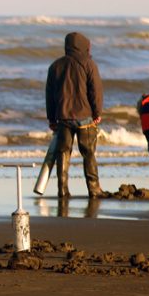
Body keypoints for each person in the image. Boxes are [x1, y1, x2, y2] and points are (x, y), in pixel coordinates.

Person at [45, 32, 105, 199]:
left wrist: (51, 118)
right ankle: (94, 189)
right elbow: (95, 91)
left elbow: (49, 95)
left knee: (63, 154)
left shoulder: (55, 66)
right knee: (88, 153)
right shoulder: (89, 64)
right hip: (85, 117)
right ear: (84, 46)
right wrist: (97, 112)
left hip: (63, 117)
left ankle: (62, 190)